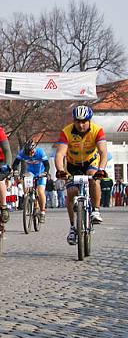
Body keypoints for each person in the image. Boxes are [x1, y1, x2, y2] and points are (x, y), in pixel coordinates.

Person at [54, 105, 108, 246]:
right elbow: (60, 153)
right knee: (71, 192)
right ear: (74, 121)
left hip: (91, 162)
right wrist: (60, 170)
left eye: (84, 121)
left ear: (89, 121)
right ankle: (73, 227)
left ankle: (96, 210)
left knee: (93, 177)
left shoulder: (97, 130)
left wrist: (101, 169)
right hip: (73, 165)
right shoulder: (66, 132)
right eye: (78, 121)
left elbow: (103, 152)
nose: (81, 124)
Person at [12, 140, 50, 222]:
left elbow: (47, 165)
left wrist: (45, 173)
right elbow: (15, 164)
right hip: (31, 172)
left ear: (34, 150)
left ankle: (42, 211)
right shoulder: (22, 153)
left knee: (40, 191)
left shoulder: (40, 152)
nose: (30, 155)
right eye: (28, 153)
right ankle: (29, 200)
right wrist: (15, 172)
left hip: (41, 172)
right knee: (26, 188)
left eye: (31, 153)